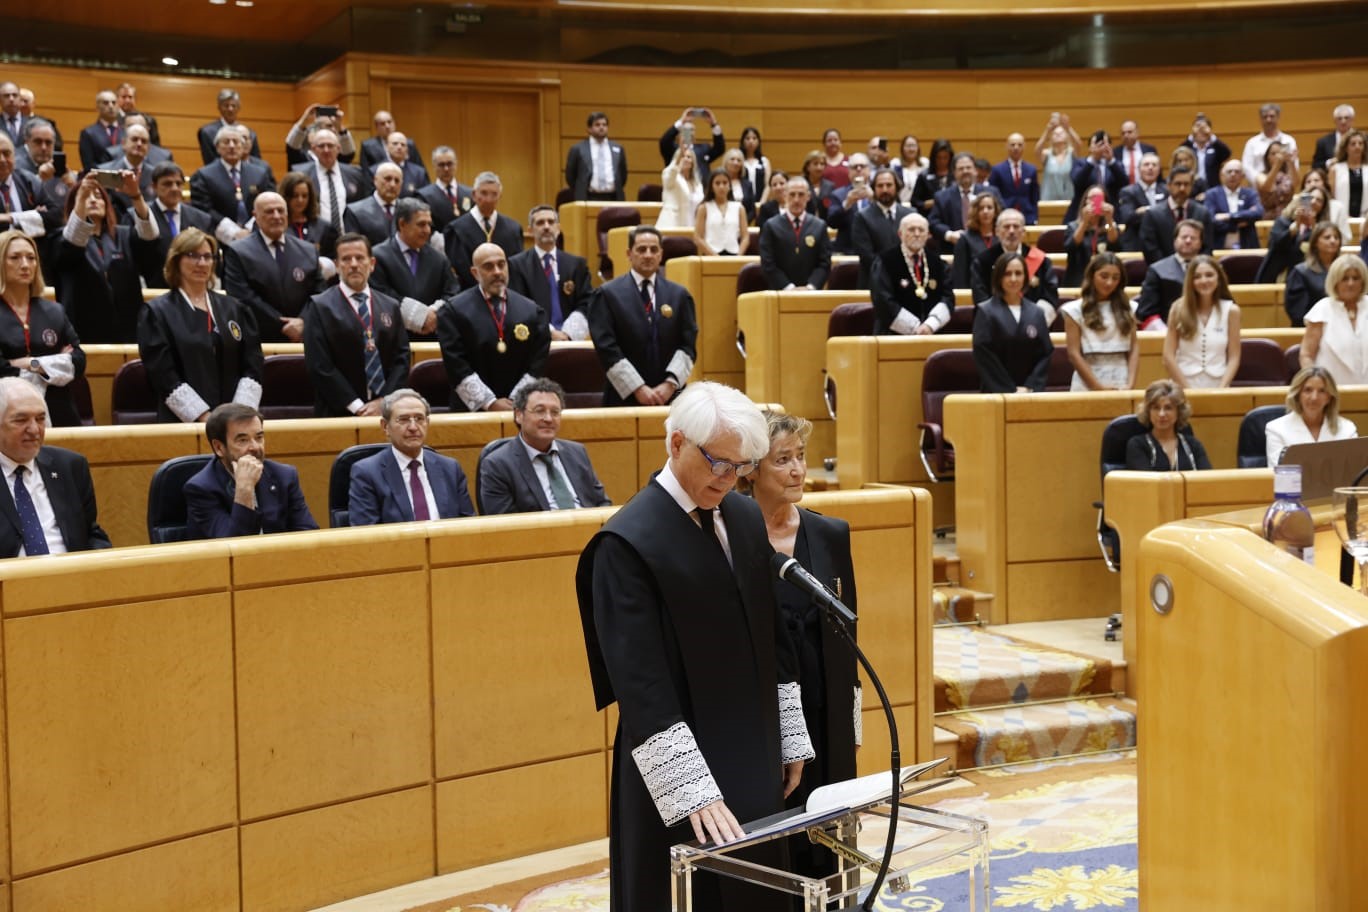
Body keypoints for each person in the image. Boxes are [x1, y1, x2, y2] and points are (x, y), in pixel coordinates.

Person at [576, 380, 812, 912]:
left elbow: (770, 631)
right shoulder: (627, 541)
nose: (727, 479)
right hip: (681, 764)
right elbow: (639, 682)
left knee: (760, 889)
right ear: (676, 442)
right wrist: (693, 790)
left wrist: (790, 734)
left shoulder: (745, 517)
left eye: (739, 466)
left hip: (753, 749)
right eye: (716, 463)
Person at [741, 410, 857, 882]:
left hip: (825, 702)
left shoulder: (830, 533)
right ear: (751, 470)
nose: (797, 470)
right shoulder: (732, 537)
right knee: (778, 823)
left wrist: (851, 729)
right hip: (765, 708)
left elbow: (850, 636)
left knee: (829, 827)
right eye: (782, 459)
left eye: (801, 457)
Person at [137, 228, 263, 423]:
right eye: (193, 255)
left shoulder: (235, 309)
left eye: (207, 256)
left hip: (236, 424)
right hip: (183, 423)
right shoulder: (157, 313)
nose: (202, 263)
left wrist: (237, 415)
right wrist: (205, 418)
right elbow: (163, 375)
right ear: (176, 260)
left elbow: (252, 364)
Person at [0, 376, 110, 557]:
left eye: (40, 419)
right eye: (21, 420)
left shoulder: (70, 466)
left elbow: (90, 534)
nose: (34, 430)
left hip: (70, 577)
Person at [302, 232, 410, 417]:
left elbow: (402, 358)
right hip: (338, 412)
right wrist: (357, 407)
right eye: (346, 259)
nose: (353, 264)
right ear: (336, 265)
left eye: (360, 258)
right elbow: (320, 365)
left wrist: (385, 401)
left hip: (385, 411)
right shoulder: (320, 306)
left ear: (372, 264)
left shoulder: (390, 305)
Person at [589, 226, 697, 407]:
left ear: (661, 254)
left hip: (671, 398)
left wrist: (669, 385)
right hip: (623, 398)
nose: (648, 255)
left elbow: (688, 345)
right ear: (629, 253)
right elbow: (606, 347)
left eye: (654, 250)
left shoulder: (679, 295)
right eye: (641, 249)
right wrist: (638, 388)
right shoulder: (607, 295)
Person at [437, 241, 550, 412]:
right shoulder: (453, 311)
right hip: (471, 412)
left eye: (501, 265)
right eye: (488, 267)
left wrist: (516, 401)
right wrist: (489, 403)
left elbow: (537, 362)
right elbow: (457, 365)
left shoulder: (532, 311)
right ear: (475, 273)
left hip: (520, 409)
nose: (497, 272)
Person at [184, 403, 318, 539]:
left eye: (259, 437)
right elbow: (232, 547)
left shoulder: (284, 476)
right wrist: (244, 490)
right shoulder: (201, 489)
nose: (255, 447)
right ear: (219, 447)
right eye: (242, 440)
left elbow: (309, 535)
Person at [478, 378, 611, 514]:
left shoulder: (577, 452)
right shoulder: (498, 464)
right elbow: (504, 525)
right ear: (519, 415)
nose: (548, 419)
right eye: (539, 411)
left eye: (555, 412)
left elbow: (602, 502)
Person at [346, 388, 475, 525]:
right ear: (385, 426)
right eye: (404, 419)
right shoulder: (367, 473)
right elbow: (367, 536)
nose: (413, 427)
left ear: (428, 423)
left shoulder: (450, 468)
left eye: (419, 419)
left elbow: (468, 526)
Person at [56, 171, 158, 344]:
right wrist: (80, 200)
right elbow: (72, 244)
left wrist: (136, 195)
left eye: (98, 196)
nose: (93, 200)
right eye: (86, 197)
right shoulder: (61, 238)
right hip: (83, 331)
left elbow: (150, 236)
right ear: (74, 205)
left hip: (128, 329)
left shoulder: (123, 234)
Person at [0, 231, 85, 426]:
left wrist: (29, 363)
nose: (25, 264)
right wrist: (57, 363)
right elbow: (1, 370)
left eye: (31, 258)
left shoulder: (54, 310)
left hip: (60, 410)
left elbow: (79, 361)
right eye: (15, 257)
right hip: (7, 415)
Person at [221, 191, 325, 343]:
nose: (276, 216)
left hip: (305, 338)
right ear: (255, 215)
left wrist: (303, 321)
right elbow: (242, 296)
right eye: (269, 211)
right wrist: (285, 325)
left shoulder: (308, 250)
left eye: (281, 210)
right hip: (260, 337)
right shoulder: (238, 252)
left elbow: (319, 292)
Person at [370, 197, 459, 337]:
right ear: (402, 224)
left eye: (429, 224)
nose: (428, 230)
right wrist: (418, 316)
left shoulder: (439, 259)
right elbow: (380, 295)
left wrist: (434, 314)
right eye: (421, 224)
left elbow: (453, 292)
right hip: (393, 336)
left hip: (432, 338)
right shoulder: (378, 256)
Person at [972, 252, 1053, 393]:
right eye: (1007, 274)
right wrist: (1010, 390)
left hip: (1030, 394)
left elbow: (1045, 353)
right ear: (999, 277)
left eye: (1018, 273)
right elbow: (984, 356)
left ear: (1025, 277)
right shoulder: (986, 311)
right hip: (996, 394)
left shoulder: (1036, 312)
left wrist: (1030, 386)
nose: (1013, 279)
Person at [508, 205, 591, 341]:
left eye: (551, 222)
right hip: (535, 342)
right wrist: (550, 333)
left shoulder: (577, 264)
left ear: (558, 228)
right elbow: (518, 306)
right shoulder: (516, 265)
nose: (546, 227)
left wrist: (567, 334)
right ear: (530, 230)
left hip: (571, 341)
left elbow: (586, 302)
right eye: (540, 223)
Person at [1061, 252, 1138, 391]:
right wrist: (1097, 387)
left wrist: (1131, 384)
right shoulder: (1074, 310)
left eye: (1115, 278)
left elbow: (1133, 349)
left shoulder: (1129, 308)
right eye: (1104, 276)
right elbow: (1074, 354)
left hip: (1121, 378)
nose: (1109, 283)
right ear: (1092, 276)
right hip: (1087, 381)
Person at [1163, 254, 1241, 389]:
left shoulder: (1231, 311)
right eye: (1197, 277)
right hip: (1183, 384)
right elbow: (1168, 356)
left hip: (1219, 383)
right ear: (1190, 281)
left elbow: (1234, 356)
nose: (1204, 281)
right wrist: (1187, 388)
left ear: (1219, 278)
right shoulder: (1178, 308)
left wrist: (1222, 388)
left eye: (1209, 275)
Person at [134, 162, 216, 288]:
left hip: (192, 288)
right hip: (154, 288)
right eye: (167, 184)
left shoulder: (202, 219)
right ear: (154, 187)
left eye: (178, 184)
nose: (174, 188)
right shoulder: (138, 216)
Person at [871, 212, 951, 335]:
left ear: (928, 235)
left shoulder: (938, 263)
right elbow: (882, 300)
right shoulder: (885, 261)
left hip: (932, 334)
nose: (917, 234)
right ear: (900, 234)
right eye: (911, 230)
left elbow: (948, 297)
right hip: (893, 336)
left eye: (921, 230)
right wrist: (915, 328)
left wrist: (930, 325)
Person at [970, 207, 1059, 317]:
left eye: (1016, 226)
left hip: (1033, 326)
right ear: (997, 231)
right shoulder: (983, 262)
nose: (1011, 231)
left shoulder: (1042, 261)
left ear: (1023, 232)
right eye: (1006, 227)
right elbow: (981, 298)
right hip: (996, 325)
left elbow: (1050, 296)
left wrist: (1035, 321)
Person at [443, 171, 523, 290]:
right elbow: (461, 270)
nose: (488, 199)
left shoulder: (513, 229)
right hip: (470, 295)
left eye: (494, 194)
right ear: (474, 195)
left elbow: (515, 267)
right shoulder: (456, 229)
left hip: (506, 293)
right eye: (484, 193)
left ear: (500, 196)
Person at [190, 126, 274, 238]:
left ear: (243, 147)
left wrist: (250, 229)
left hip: (255, 235)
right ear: (217, 148)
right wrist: (233, 232)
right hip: (219, 237)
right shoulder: (203, 175)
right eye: (226, 142)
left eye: (236, 142)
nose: (231, 146)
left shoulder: (259, 174)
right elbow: (203, 209)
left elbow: (267, 203)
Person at [1266, 366, 1357, 466]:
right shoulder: (1276, 429)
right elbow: (1279, 474)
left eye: (1322, 391)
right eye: (1308, 390)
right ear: (1298, 394)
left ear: (1329, 397)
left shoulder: (1347, 429)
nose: (1314, 397)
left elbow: (1352, 472)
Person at [1300, 254, 1368, 385]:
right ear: (1335, 282)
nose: (1350, 283)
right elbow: (1306, 355)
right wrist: (1317, 385)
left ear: (1363, 281)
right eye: (1345, 278)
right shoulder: (1322, 309)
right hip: (1330, 393)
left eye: (1356, 278)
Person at [758, 177, 831, 291]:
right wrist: (788, 288)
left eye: (801, 195)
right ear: (785, 196)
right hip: (779, 292)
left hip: (811, 294)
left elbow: (824, 263)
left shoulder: (819, 226)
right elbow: (768, 263)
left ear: (808, 197)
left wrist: (810, 287)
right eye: (792, 195)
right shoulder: (771, 226)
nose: (796, 200)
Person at [291, 128, 371, 229]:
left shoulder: (355, 173)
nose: (326, 150)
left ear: (338, 148)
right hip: (315, 236)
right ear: (313, 149)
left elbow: (362, 206)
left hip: (348, 237)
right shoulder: (301, 173)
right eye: (321, 146)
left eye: (330, 145)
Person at [1125, 380, 1212, 471]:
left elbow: (1207, 480)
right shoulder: (1137, 445)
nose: (1161, 414)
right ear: (1148, 411)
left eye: (1168, 408)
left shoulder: (1193, 445)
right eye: (1156, 408)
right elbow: (1146, 484)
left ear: (1178, 412)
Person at [1134, 218, 1204, 330]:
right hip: (1167, 331)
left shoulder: (1212, 270)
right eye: (1184, 237)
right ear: (1175, 241)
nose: (1188, 241)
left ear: (1200, 243)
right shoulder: (1157, 270)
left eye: (1193, 238)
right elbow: (1145, 312)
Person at [850, 167, 913, 289]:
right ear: (874, 189)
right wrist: (894, 272)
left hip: (907, 282)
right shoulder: (862, 217)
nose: (885, 189)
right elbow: (866, 255)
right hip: (873, 284)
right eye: (880, 186)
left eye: (889, 185)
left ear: (897, 187)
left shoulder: (910, 214)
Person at [1257, 187, 1331, 284]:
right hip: (1278, 276)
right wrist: (1296, 225)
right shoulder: (1282, 222)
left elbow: (1323, 253)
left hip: (1310, 279)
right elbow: (1275, 245)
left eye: (1319, 200)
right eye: (1310, 198)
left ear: (1323, 207)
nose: (1313, 202)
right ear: (1301, 200)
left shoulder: (1323, 229)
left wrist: (1314, 227)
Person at [1139, 166, 1210, 264]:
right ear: (1168, 185)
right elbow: (1150, 249)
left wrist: (1192, 268)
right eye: (1178, 184)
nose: (1182, 188)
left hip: (1194, 272)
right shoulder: (1153, 214)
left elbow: (1207, 247)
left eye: (1186, 184)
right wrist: (1171, 268)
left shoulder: (1203, 213)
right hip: (1162, 273)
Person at [1285, 222, 1342, 327]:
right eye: (1327, 237)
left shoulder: (1345, 271)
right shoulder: (1301, 272)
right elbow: (1297, 313)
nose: (1333, 241)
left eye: (1336, 237)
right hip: (1311, 329)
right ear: (1316, 242)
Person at [1063, 184, 1120, 286]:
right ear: (1085, 201)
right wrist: (1084, 222)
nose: (1095, 202)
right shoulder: (1073, 226)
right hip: (1079, 277)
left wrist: (1110, 220)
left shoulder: (1110, 226)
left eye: (1099, 198)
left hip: (1105, 277)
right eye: (1091, 198)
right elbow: (1071, 246)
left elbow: (1115, 244)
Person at [278, 170, 338, 263]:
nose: (300, 200)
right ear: (286, 197)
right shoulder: (277, 225)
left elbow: (332, 260)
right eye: (295, 195)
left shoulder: (324, 228)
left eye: (305, 196)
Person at [566, 111, 627, 201]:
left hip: (613, 197)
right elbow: (570, 177)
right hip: (588, 197)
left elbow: (623, 175)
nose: (601, 127)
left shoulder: (618, 148)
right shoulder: (578, 149)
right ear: (589, 129)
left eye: (604, 125)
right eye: (597, 125)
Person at [1205, 158, 1264, 250]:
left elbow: (1258, 213)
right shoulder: (1212, 194)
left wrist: (1229, 216)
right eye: (1229, 172)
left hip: (1247, 244)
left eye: (1237, 172)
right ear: (1222, 175)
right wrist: (1237, 224)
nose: (1233, 174)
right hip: (1219, 245)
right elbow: (1211, 220)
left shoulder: (1250, 194)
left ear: (1243, 176)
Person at [343, 161, 403, 248]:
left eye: (397, 181)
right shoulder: (355, 211)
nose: (392, 184)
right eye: (387, 179)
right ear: (375, 180)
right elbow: (353, 247)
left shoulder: (409, 210)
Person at [197, 89, 262, 165]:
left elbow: (256, 162)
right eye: (226, 105)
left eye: (233, 106)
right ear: (219, 107)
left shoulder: (250, 134)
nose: (230, 109)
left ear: (239, 108)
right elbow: (209, 162)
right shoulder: (207, 132)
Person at [824, 153, 873, 254]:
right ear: (849, 172)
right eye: (854, 167)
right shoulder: (838, 194)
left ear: (869, 170)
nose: (859, 169)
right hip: (847, 251)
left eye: (862, 166)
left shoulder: (879, 192)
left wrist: (874, 199)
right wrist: (846, 204)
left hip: (875, 250)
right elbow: (832, 223)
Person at [416, 146, 474, 232]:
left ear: (456, 164)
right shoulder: (424, 196)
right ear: (434, 166)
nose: (446, 169)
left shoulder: (470, 193)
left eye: (449, 164)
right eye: (441, 165)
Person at [949, 191, 998, 292]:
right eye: (981, 208)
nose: (985, 211)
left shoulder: (1001, 237)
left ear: (995, 211)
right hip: (974, 293)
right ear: (975, 211)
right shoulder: (965, 239)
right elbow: (960, 275)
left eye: (989, 207)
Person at [693, 168, 748, 257]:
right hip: (711, 255)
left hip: (734, 254)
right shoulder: (704, 208)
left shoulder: (739, 208)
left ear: (730, 186)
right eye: (717, 183)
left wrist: (739, 256)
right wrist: (714, 256)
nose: (721, 187)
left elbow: (745, 237)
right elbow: (698, 237)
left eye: (725, 183)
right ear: (711, 187)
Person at [283, 103, 355, 169]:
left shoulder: (333, 157)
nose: (334, 130)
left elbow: (348, 154)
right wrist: (303, 122)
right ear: (313, 134)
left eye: (330, 145)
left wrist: (340, 128)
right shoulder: (302, 159)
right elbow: (291, 147)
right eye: (329, 126)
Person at [989, 132, 1040, 224]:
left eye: (1019, 145)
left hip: (1027, 216)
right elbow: (993, 196)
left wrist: (1035, 217)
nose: (1016, 148)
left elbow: (1035, 197)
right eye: (1012, 145)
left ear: (1024, 147)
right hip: (1005, 215)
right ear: (1007, 147)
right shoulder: (997, 170)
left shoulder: (1031, 170)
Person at [1241, 102, 1298, 183]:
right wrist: (1263, 182)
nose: (1268, 120)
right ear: (1260, 119)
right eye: (1265, 117)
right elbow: (1247, 167)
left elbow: (1294, 165)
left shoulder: (1288, 140)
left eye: (1272, 116)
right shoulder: (1252, 143)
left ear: (1278, 117)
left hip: (1284, 187)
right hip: (1258, 189)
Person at [657, 107, 725, 171]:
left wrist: (714, 124)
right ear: (679, 134)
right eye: (685, 130)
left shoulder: (703, 149)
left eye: (691, 130)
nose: (689, 133)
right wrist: (681, 121)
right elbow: (664, 141)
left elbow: (720, 148)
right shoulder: (673, 150)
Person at [656, 145, 703, 230]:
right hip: (672, 224)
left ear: (693, 161)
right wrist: (677, 163)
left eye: (689, 157)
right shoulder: (671, 176)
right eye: (682, 157)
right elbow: (670, 174)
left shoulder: (697, 184)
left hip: (691, 225)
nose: (685, 159)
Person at [1182, 113, 1232, 191]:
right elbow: (1179, 152)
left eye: (1204, 129)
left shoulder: (1215, 148)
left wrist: (1210, 135)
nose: (1201, 132)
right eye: (1197, 127)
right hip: (1192, 189)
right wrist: (1192, 136)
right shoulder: (1189, 148)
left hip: (1213, 189)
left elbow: (1227, 153)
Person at [1036, 117, 1081, 203]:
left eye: (1061, 133)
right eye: (1055, 133)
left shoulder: (1072, 153)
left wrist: (1068, 128)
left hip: (1069, 199)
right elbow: (1037, 150)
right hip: (1048, 200)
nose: (1058, 135)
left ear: (1066, 136)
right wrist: (1047, 131)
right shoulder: (1047, 154)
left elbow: (1078, 144)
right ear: (1051, 138)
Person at [371, 131, 428, 196]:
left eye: (403, 145)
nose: (399, 147)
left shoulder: (419, 173)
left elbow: (423, 198)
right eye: (395, 144)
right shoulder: (374, 171)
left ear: (407, 149)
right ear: (386, 147)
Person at [77, 89, 122, 171]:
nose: (111, 106)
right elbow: (88, 165)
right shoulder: (88, 133)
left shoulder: (127, 132)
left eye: (114, 102)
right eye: (106, 103)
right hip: (99, 179)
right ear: (97, 107)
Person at [1328, 130, 1367, 219]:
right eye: (1353, 144)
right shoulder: (1335, 169)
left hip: (1365, 219)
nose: (1357, 147)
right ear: (1346, 148)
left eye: (1360, 143)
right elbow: (1331, 196)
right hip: (1341, 217)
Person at [911, 137, 957, 213]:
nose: (942, 161)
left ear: (950, 157)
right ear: (933, 157)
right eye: (939, 157)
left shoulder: (956, 175)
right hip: (930, 216)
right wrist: (928, 204)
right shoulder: (924, 176)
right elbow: (915, 202)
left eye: (945, 157)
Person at [1256, 140, 1298, 217]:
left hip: (1288, 216)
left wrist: (1291, 162)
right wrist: (1277, 164)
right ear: (1267, 157)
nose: (1277, 156)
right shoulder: (1261, 175)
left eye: (1279, 153)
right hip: (1268, 218)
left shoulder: (1287, 175)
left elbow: (1295, 184)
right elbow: (1268, 187)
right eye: (1273, 153)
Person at [718, 148, 757, 222]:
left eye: (739, 160)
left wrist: (743, 222)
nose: (735, 163)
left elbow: (752, 210)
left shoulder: (748, 184)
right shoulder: (718, 182)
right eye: (732, 159)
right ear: (726, 162)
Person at [1314, 104, 1356, 172]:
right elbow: (1316, 166)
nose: (1343, 121)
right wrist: (1329, 163)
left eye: (1346, 118)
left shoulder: (1364, 139)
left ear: (1352, 120)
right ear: (1335, 121)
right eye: (1339, 118)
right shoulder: (1323, 142)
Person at [1114, 120, 1157, 185]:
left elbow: (1157, 171)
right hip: (1123, 190)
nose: (1126, 135)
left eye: (1129, 132)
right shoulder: (1115, 152)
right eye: (1123, 133)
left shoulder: (1149, 149)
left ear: (1137, 133)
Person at [891, 134, 927, 206]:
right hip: (901, 205)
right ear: (902, 148)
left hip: (920, 206)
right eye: (908, 146)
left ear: (918, 148)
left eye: (913, 146)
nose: (911, 149)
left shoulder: (925, 164)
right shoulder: (896, 164)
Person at [738, 126, 770, 200]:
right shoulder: (739, 160)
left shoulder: (764, 161)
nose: (751, 141)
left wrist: (761, 203)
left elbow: (768, 185)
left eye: (754, 138)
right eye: (747, 138)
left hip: (760, 201)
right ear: (743, 141)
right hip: (743, 201)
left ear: (758, 141)